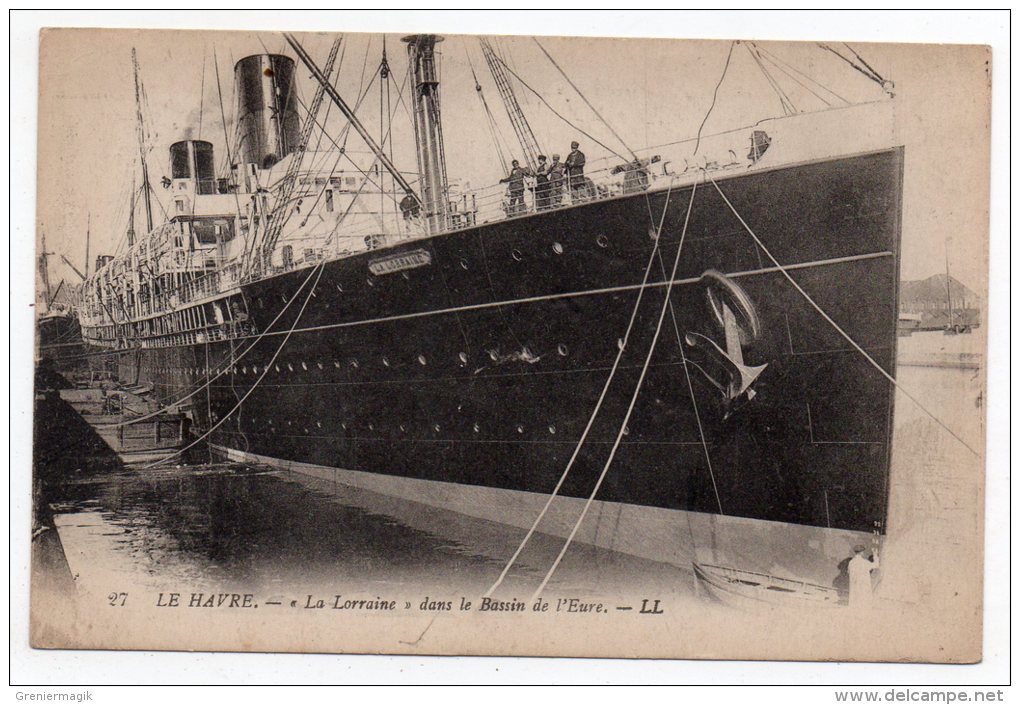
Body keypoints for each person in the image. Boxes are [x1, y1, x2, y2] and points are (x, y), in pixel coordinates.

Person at [847, 544, 879, 610]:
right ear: (862, 552)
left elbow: (848, 572)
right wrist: (875, 555)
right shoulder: (864, 562)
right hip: (863, 586)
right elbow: (876, 565)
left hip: (854, 585)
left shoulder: (851, 562)